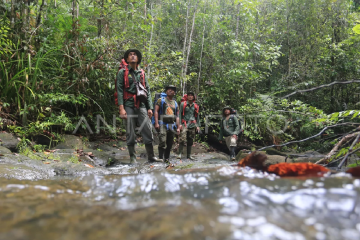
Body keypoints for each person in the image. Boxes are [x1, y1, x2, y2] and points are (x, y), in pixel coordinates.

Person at [116, 49, 162, 164]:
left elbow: (147, 90)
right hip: (128, 104)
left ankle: (151, 156)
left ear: (138, 59)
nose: (132, 56)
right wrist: (121, 108)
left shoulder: (142, 73)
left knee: (147, 129)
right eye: (130, 55)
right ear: (127, 59)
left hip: (141, 105)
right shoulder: (123, 72)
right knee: (130, 131)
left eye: (134, 54)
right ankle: (133, 158)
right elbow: (119, 90)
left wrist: (149, 107)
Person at [154, 85, 180, 163]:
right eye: (169, 89)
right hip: (162, 123)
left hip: (172, 125)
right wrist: (156, 123)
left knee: (170, 142)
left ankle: (167, 159)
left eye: (172, 90)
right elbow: (156, 111)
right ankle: (160, 158)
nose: (170, 91)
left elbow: (177, 116)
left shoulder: (175, 103)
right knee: (162, 141)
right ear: (166, 91)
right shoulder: (161, 100)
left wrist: (178, 127)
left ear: (174, 93)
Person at [178, 92, 200, 160]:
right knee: (182, 138)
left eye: (191, 95)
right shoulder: (183, 104)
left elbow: (197, 116)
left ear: (194, 97)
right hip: (185, 124)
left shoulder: (196, 106)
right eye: (189, 95)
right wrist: (179, 124)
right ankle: (179, 154)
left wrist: (198, 126)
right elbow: (180, 114)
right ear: (187, 97)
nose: (190, 97)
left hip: (192, 124)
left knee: (190, 140)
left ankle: (189, 155)